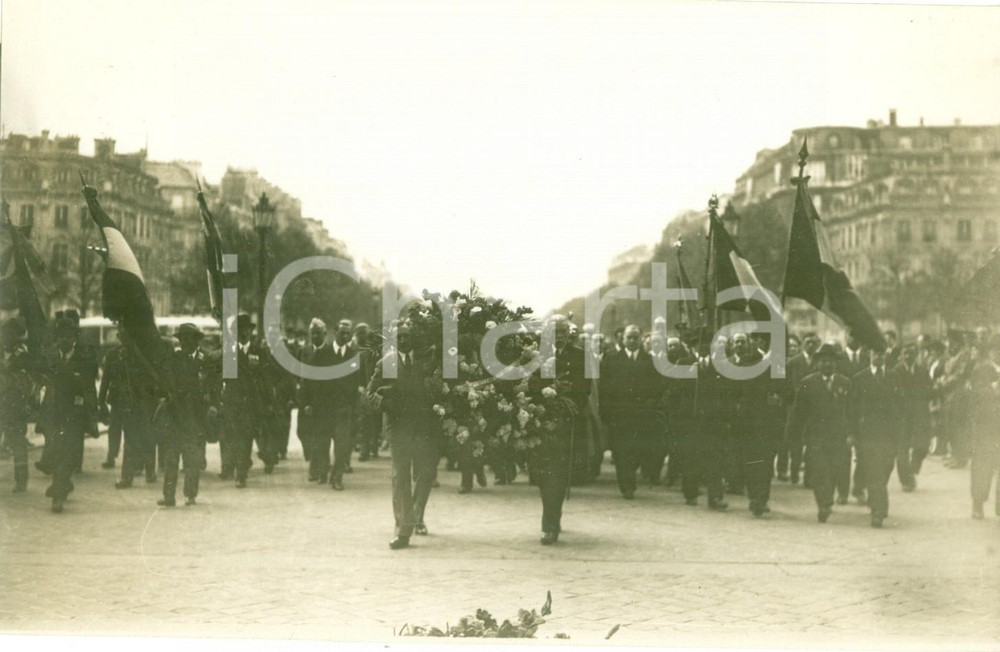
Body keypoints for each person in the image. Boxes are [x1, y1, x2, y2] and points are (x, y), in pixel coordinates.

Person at [367, 322, 440, 549]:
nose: (403, 340)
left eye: (407, 336)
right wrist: (385, 403)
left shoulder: (426, 362)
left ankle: (416, 514)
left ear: (413, 338)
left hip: (424, 427)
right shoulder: (385, 364)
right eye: (399, 337)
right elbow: (370, 394)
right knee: (401, 477)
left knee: (426, 473)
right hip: (398, 428)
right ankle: (403, 530)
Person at [527, 316, 592, 544]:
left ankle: (550, 522)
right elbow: (528, 384)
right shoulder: (536, 355)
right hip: (540, 419)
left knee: (558, 472)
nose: (560, 336)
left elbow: (584, 390)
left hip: (565, 421)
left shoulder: (580, 355)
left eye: (563, 332)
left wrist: (566, 404)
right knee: (542, 473)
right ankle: (552, 515)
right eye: (555, 332)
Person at [787, 343, 853, 523]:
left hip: (838, 437)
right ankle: (823, 504)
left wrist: (851, 434)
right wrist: (793, 435)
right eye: (824, 361)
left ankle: (827, 499)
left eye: (831, 361)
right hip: (816, 436)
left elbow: (852, 412)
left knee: (834, 470)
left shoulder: (845, 383)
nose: (827, 364)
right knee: (818, 470)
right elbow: (798, 412)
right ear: (817, 363)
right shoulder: (808, 383)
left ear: (836, 363)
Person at [39, 315, 97, 513]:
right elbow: (41, 379)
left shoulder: (84, 359)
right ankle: (62, 485)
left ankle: (58, 493)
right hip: (53, 412)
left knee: (68, 453)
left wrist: (92, 410)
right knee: (57, 451)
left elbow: (89, 387)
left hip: (74, 413)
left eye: (69, 336)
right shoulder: (50, 357)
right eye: (61, 336)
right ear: (56, 337)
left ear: (75, 338)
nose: (65, 339)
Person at [599, 324, 665, 500]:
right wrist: (605, 411)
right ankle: (627, 486)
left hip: (642, 415)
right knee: (622, 452)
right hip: (619, 415)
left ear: (641, 339)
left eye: (636, 337)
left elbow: (658, 387)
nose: (632, 340)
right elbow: (604, 388)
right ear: (623, 339)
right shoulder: (612, 359)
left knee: (638, 450)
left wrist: (652, 405)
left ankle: (630, 477)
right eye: (629, 337)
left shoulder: (649, 360)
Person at [300, 318, 362, 490]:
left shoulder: (353, 356)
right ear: (335, 332)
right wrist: (308, 402)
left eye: (348, 333)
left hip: (343, 409)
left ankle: (337, 477)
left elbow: (355, 382)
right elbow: (310, 380)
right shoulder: (322, 354)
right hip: (324, 408)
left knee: (342, 447)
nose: (345, 336)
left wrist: (353, 407)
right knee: (322, 443)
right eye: (342, 332)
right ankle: (322, 472)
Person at [157, 324, 209, 507]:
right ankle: (169, 496)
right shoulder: (173, 359)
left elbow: (211, 384)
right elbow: (164, 382)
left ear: (196, 341)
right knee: (171, 458)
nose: (187, 343)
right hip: (175, 416)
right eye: (183, 340)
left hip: (195, 417)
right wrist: (166, 396)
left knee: (192, 459)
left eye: (190, 339)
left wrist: (210, 404)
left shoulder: (205, 360)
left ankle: (190, 494)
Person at [851, 350, 901, 527]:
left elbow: (902, 405)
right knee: (875, 471)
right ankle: (878, 510)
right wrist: (852, 433)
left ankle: (875, 499)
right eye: (875, 353)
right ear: (870, 355)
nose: (878, 356)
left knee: (887, 466)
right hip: (868, 433)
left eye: (881, 353)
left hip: (889, 433)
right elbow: (852, 408)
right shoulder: (859, 378)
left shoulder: (894, 377)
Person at [220, 314, 268, 487]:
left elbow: (265, 377)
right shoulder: (229, 352)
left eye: (247, 329)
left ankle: (241, 474)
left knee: (246, 438)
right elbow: (222, 377)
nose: (244, 333)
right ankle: (238, 465)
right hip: (233, 402)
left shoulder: (259, 352)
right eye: (240, 330)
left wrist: (265, 401)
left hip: (251, 403)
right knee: (233, 437)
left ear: (251, 331)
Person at [778, 332, 820, 484]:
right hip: (795, 408)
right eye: (808, 342)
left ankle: (809, 476)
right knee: (794, 441)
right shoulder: (793, 362)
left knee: (811, 441)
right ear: (803, 344)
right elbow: (784, 384)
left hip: (814, 409)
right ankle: (793, 471)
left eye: (813, 343)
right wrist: (791, 399)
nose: (810, 345)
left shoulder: (819, 362)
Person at [967, 337, 1000, 519]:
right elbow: (974, 395)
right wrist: (993, 388)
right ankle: (978, 504)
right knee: (982, 465)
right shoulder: (982, 369)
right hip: (986, 426)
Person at [894, 343, 933, 491]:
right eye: (905, 353)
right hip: (902, 415)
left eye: (911, 353)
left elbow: (930, 390)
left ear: (916, 355)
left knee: (923, 445)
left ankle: (912, 469)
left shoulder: (923, 371)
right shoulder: (896, 371)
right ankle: (906, 480)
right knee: (902, 448)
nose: (908, 356)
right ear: (901, 355)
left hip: (919, 414)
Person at [1, 318, 34, 493]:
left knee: (18, 443)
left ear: (17, 337)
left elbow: (30, 382)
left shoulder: (24, 357)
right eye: (4, 334)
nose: (6, 337)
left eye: (10, 335)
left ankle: (21, 479)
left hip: (15, 406)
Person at [97, 334, 125, 469]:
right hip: (117, 399)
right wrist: (101, 400)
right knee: (114, 428)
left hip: (134, 399)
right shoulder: (112, 355)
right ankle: (111, 456)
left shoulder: (137, 354)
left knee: (133, 431)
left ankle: (135, 462)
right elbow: (106, 379)